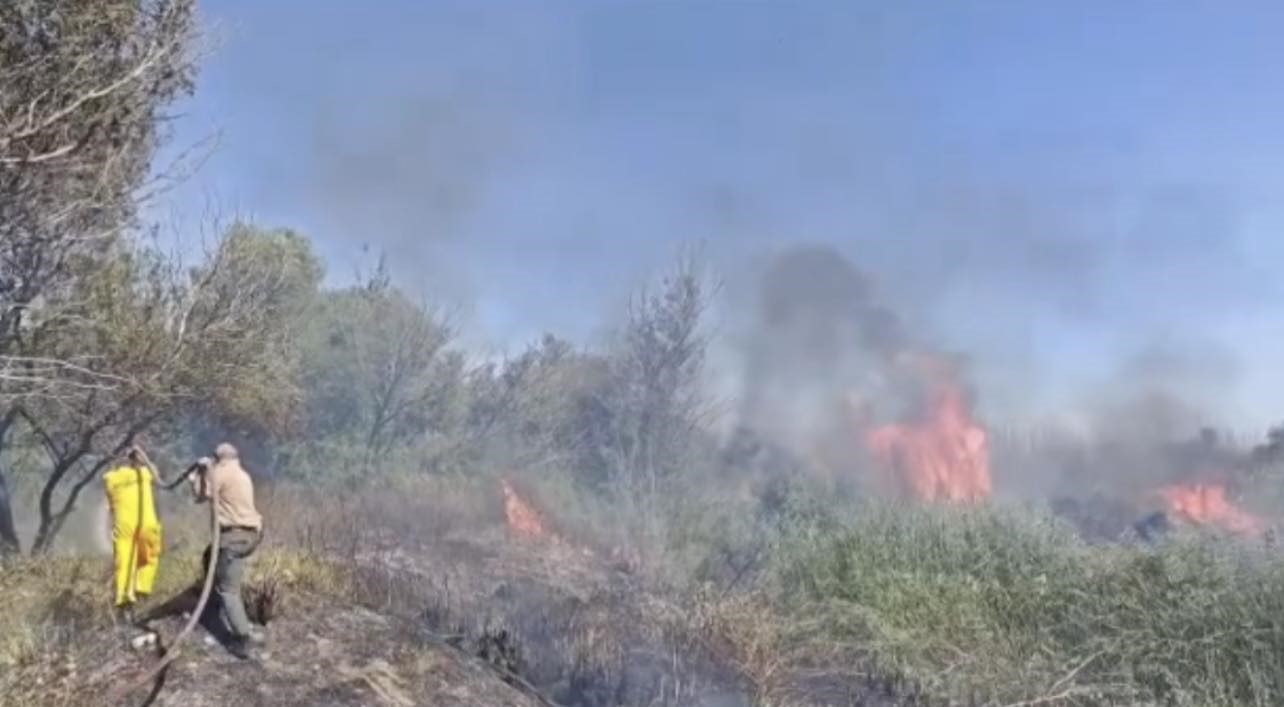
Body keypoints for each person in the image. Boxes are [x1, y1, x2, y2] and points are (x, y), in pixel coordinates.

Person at [190, 442, 263, 659]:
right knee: (209, 555)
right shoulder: (242, 473)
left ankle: (242, 638)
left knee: (228, 589)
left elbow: (201, 496)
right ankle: (213, 605)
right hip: (250, 535)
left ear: (218, 458)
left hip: (233, 537)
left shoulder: (221, 472)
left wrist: (195, 478)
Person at [103, 446, 165, 619]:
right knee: (151, 556)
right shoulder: (144, 473)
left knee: (124, 561)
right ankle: (142, 589)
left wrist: (109, 527)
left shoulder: (110, 478)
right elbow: (156, 473)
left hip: (124, 525)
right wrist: (142, 456)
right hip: (146, 523)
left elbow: (110, 504)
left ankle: (125, 600)